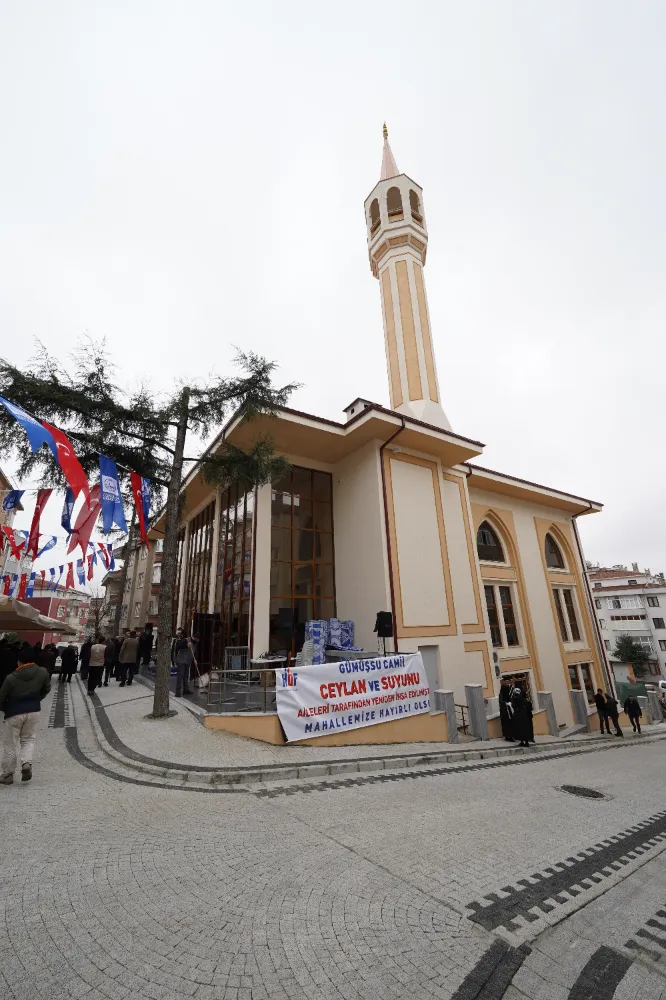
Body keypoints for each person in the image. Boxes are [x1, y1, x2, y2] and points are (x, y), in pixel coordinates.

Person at [0, 644, 51, 784]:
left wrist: (5, 708)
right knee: (28, 739)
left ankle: (8, 775)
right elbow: (47, 689)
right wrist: (36, 700)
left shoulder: (11, 677)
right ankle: (26, 763)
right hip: (34, 711)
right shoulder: (43, 672)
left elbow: (1, 696)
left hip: (14, 712)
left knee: (10, 744)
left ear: (19, 661)